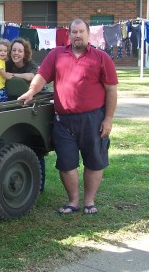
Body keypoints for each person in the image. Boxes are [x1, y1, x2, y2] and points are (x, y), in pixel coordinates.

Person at [18, 18, 118, 215]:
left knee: (94, 161)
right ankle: (73, 201)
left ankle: (89, 201)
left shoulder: (101, 57)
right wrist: (31, 92)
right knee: (66, 162)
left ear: (88, 34)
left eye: (81, 31)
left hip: (93, 119)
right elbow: (42, 76)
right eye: (74, 32)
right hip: (63, 120)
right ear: (69, 34)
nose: (77, 35)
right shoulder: (57, 54)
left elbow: (111, 90)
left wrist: (108, 119)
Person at [0, 37, 47, 192]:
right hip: (8, 103)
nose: (16, 53)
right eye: (14, 50)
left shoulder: (30, 65)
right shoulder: (5, 62)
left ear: (25, 53)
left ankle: (39, 185)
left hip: (29, 103)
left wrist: (11, 75)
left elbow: (32, 76)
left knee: (33, 148)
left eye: (20, 50)